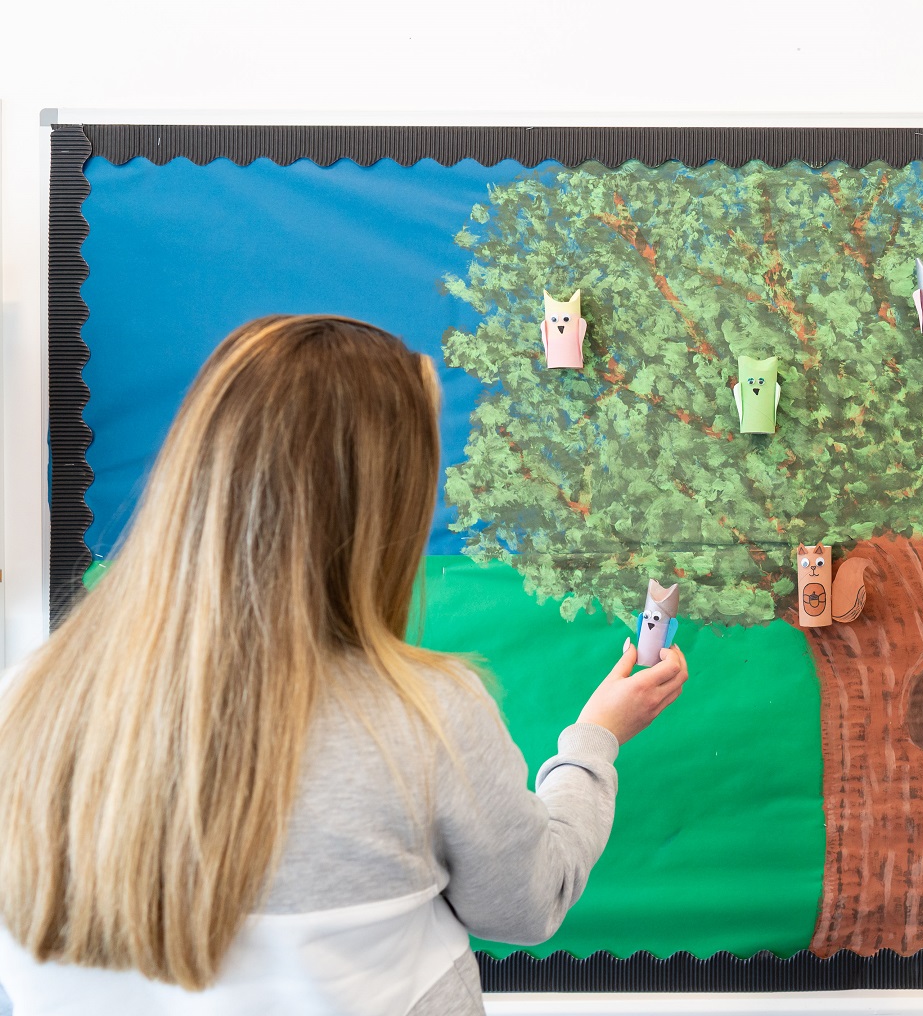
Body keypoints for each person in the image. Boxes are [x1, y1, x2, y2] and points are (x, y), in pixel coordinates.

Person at [0, 315, 687, 1015]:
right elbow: (529, 902)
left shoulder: (28, 701)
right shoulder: (427, 717)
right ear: (382, 511)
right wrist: (594, 740)